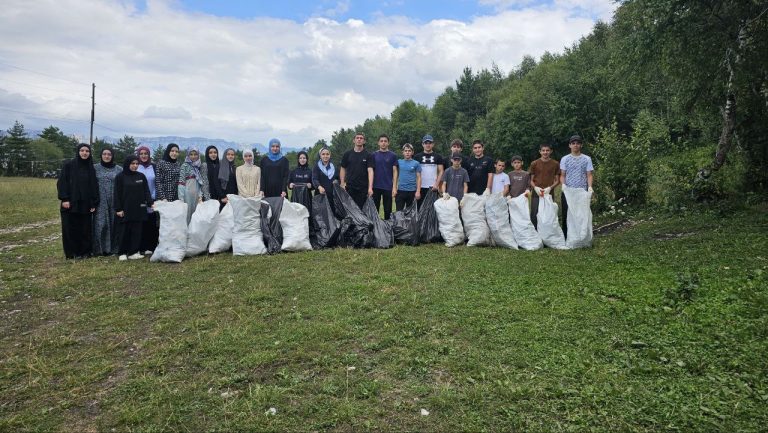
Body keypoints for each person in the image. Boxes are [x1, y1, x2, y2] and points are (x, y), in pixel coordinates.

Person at [57, 143, 99, 259]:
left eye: (87, 151)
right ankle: (72, 253)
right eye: (82, 150)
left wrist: (93, 202)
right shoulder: (69, 165)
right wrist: (65, 198)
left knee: (85, 229)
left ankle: (85, 252)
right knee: (71, 228)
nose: (84, 153)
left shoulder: (91, 168)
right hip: (70, 203)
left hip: (85, 203)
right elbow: (62, 183)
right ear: (78, 152)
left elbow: (93, 186)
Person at [114, 155, 153, 261]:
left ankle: (133, 252)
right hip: (125, 209)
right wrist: (118, 209)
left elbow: (146, 191)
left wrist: (150, 202)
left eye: (137, 164)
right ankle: (122, 252)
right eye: (133, 163)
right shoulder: (120, 177)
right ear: (127, 164)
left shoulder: (141, 176)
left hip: (139, 208)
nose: (135, 166)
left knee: (137, 231)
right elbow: (116, 194)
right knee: (124, 231)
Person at [559, 135, 594, 238]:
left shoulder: (587, 159)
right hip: (568, 191)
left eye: (578, 143)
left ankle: (582, 236)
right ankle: (566, 236)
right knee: (566, 214)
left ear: (581, 145)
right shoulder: (565, 159)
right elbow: (562, 175)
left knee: (582, 214)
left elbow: (589, 174)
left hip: (581, 192)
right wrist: (563, 185)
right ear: (569, 145)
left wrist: (590, 187)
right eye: (573, 143)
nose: (575, 145)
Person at [92, 147, 121, 256]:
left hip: (114, 200)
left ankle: (113, 249)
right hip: (100, 200)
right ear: (101, 155)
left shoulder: (119, 169)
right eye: (104, 154)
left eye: (109, 154)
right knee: (101, 224)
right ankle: (99, 249)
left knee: (114, 224)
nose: (107, 156)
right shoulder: (95, 168)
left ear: (112, 156)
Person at [529, 143, 560, 229]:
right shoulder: (534, 163)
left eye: (547, 150)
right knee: (535, 213)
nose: (545, 152)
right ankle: (535, 233)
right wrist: (535, 187)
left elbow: (557, 181)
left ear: (551, 151)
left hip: (548, 193)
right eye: (543, 150)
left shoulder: (555, 164)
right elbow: (530, 180)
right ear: (540, 152)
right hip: (536, 193)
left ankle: (547, 234)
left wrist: (550, 188)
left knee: (548, 214)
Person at [340, 132, 372, 209]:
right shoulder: (347, 154)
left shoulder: (368, 155)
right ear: (353, 140)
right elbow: (343, 168)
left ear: (364, 141)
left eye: (361, 138)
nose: (359, 139)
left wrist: (370, 187)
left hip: (363, 188)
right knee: (350, 210)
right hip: (350, 187)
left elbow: (370, 171)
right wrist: (342, 183)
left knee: (361, 211)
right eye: (357, 138)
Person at [178, 145, 209, 224]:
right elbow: (181, 181)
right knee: (187, 213)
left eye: (195, 154)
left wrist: (200, 195)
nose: (193, 156)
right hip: (187, 193)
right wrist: (181, 197)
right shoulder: (184, 166)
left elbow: (199, 182)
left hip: (196, 193)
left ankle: (194, 234)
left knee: (196, 213)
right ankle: (186, 234)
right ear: (188, 155)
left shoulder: (198, 166)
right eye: (191, 154)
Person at [369, 134, 398, 219]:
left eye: (385, 141)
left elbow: (395, 171)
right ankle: (375, 229)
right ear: (378, 143)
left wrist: (394, 187)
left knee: (387, 211)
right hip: (375, 186)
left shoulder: (393, 155)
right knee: (375, 211)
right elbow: (370, 171)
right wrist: (370, 187)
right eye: (381, 141)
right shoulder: (373, 155)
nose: (383, 143)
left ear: (388, 143)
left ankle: (387, 230)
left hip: (388, 186)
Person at [136, 145, 158, 255]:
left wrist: (154, 198)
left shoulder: (153, 166)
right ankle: (141, 247)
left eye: (146, 154)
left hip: (152, 198)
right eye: (141, 154)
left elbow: (156, 183)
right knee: (140, 223)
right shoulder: (136, 166)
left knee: (151, 223)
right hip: (138, 199)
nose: (144, 156)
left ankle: (151, 246)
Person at [414, 134, 444, 208]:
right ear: (422, 144)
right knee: (419, 209)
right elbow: (414, 172)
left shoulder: (438, 157)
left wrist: (436, 185)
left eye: (429, 143)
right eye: (426, 143)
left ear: (433, 144)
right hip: (420, 187)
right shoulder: (417, 157)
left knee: (432, 210)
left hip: (432, 187)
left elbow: (441, 171)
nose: (428, 145)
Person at [394, 143, 421, 211]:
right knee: (399, 212)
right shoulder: (399, 162)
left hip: (412, 191)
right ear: (403, 152)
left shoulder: (416, 163)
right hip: (401, 190)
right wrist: (394, 188)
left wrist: (418, 191)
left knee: (411, 214)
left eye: (409, 151)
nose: (407, 152)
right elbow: (395, 175)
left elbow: (419, 178)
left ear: (412, 152)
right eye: (405, 151)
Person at [312, 147, 339, 214]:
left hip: (332, 195)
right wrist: (319, 187)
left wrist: (336, 181)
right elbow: (314, 179)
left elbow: (339, 178)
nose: (325, 156)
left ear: (330, 155)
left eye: (327, 154)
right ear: (320, 156)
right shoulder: (316, 166)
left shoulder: (334, 167)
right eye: (323, 154)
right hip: (320, 194)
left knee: (332, 213)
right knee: (321, 214)